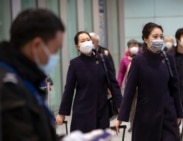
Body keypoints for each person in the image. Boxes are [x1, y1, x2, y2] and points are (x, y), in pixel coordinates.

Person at [0, 8, 65, 141]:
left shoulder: (24, 77)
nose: (55, 57)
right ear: (37, 46)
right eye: (55, 50)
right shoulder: (8, 88)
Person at [114, 22, 183, 141]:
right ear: (146, 39)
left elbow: (175, 87)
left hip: (168, 113)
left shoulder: (168, 58)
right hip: (146, 116)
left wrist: (179, 113)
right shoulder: (138, 61)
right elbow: (129, 91)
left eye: (161, 36)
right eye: (155, 37)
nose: (159, 40)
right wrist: (120, 118)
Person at [56, 31, 122, 133]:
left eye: (88, 40)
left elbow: (113, 84)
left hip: (101, 111)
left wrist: (120, 105)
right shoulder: (75, 64)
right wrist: (62, 113)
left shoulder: (103, 59)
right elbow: (68, 89)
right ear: (77, 46)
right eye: (83, 41)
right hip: (82, 112)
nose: (86, 42)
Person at [117, 39, 140, 132]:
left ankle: (140, 123)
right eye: (132, 46)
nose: (134, 48)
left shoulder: (141, 57)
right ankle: (132, 124)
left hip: (142, 86)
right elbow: (121, 73)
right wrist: (118, 85)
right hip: (130, 86)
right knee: (132, 107)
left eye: (135, 46)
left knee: (140, 105)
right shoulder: (125, 59)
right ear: (128, 48)